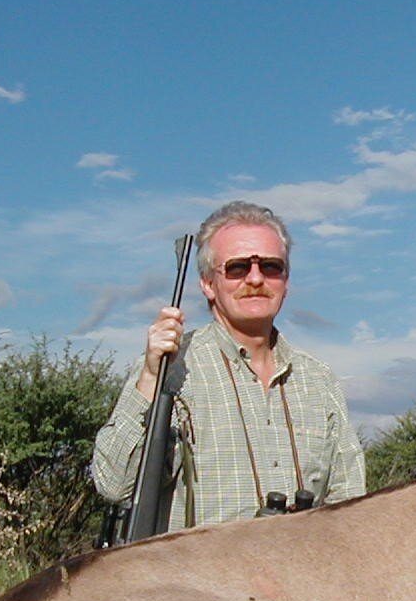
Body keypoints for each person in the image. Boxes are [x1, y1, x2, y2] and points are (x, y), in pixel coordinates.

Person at [92, 200, 365, 528]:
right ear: (208, 283)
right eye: (237, 268)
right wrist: (151, 377)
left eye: (270, 267)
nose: (255, 279)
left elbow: (350, 506)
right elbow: (115, 485)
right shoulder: (170, 368)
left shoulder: (319, 381)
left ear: (286, 281)